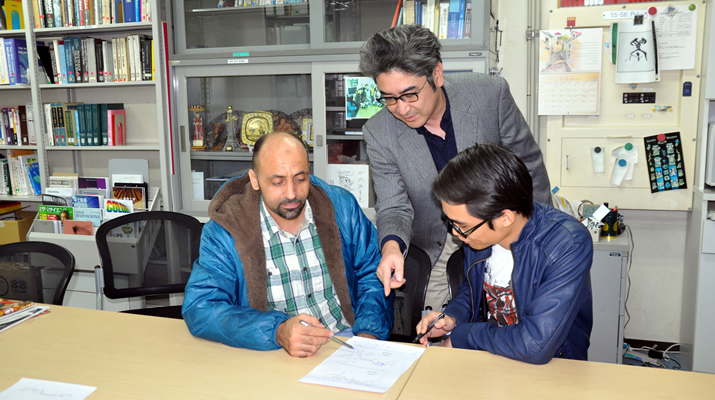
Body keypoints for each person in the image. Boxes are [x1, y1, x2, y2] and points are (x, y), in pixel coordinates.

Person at [359, 24, 552, 311]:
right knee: (437, 323)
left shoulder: (489, 95)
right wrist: (391, 249)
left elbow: (529, 170)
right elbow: (393, 206)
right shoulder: (379, 132)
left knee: (517, 310)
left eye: (410, 94)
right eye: (388, 97)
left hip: (500, 225)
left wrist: (539, 238)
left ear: (436, 74)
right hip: (438, 241)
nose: (401, 108)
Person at [182, 131, 393, 358]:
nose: (291, 193)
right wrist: (277, 331)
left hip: (345, 342)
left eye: (300, 179)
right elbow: (202, 307)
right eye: (277, 182)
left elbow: (373, 272)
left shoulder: (341, 207)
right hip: (271, 349)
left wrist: (369, 335)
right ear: (255, 180)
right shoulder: (226, 228)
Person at [415, 143, 592, 364]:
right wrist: (452, 318)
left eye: (461, 225)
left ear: (505, 218)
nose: (455, 233)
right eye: (450, 222)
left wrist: (464, 336)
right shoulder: (479, 235)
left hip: (552, 366)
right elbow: (471, 290)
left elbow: (535, 344)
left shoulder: (567, 244)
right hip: (493, 355)